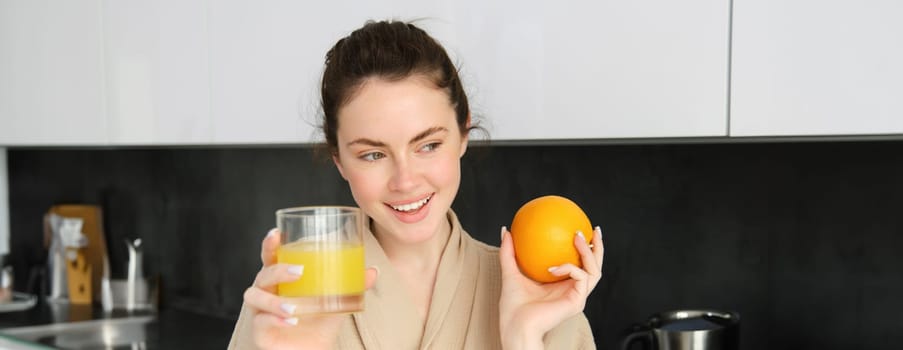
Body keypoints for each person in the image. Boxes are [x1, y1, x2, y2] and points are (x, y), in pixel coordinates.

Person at [229, 20, 604, 350]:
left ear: (462, 133)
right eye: (373, 154)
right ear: (339, 159)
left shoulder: (540, 300)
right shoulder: (292, 299)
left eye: (428, 145)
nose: (405, 181)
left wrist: (523, 340)